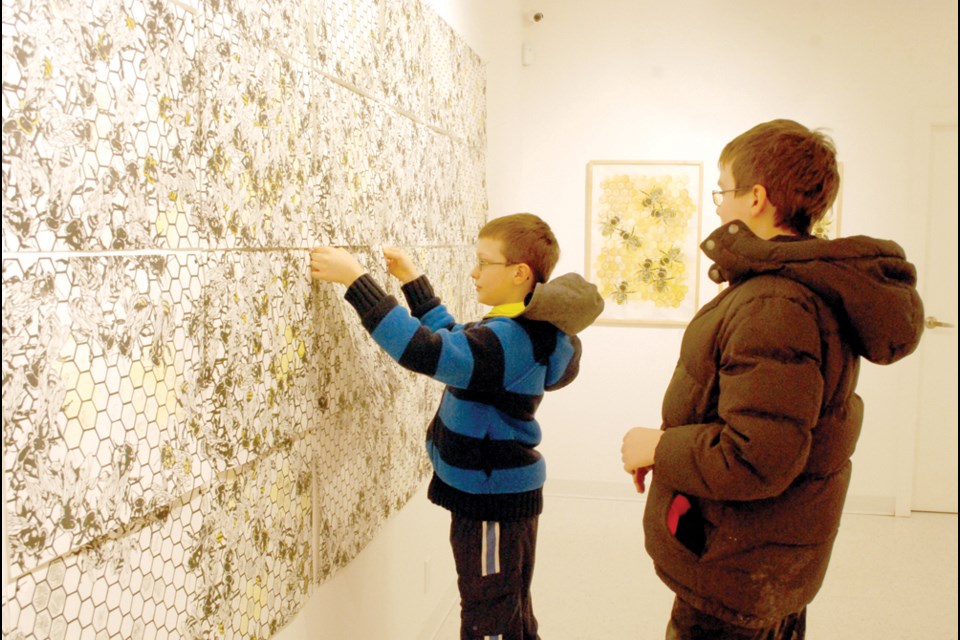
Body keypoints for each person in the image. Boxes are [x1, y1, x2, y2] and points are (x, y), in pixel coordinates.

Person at [620, 119, 925, 639]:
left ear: (756, 198)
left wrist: (658, 445)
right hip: (761, 560)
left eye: (724, 190)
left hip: (736, 574)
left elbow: (755, 458)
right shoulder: (793, 292)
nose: (718, 206)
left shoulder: (774, 304)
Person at [310, 213, 604, 640]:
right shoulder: (515, 332)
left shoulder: (512, 341)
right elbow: (452, 339)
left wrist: (357, 282)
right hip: (498, 495)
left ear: (520, 273)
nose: (474, 271)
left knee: (489, 621)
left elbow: (424, 351)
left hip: (490, 503)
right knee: (509, 611)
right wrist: (413, 281)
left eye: (485, 262)